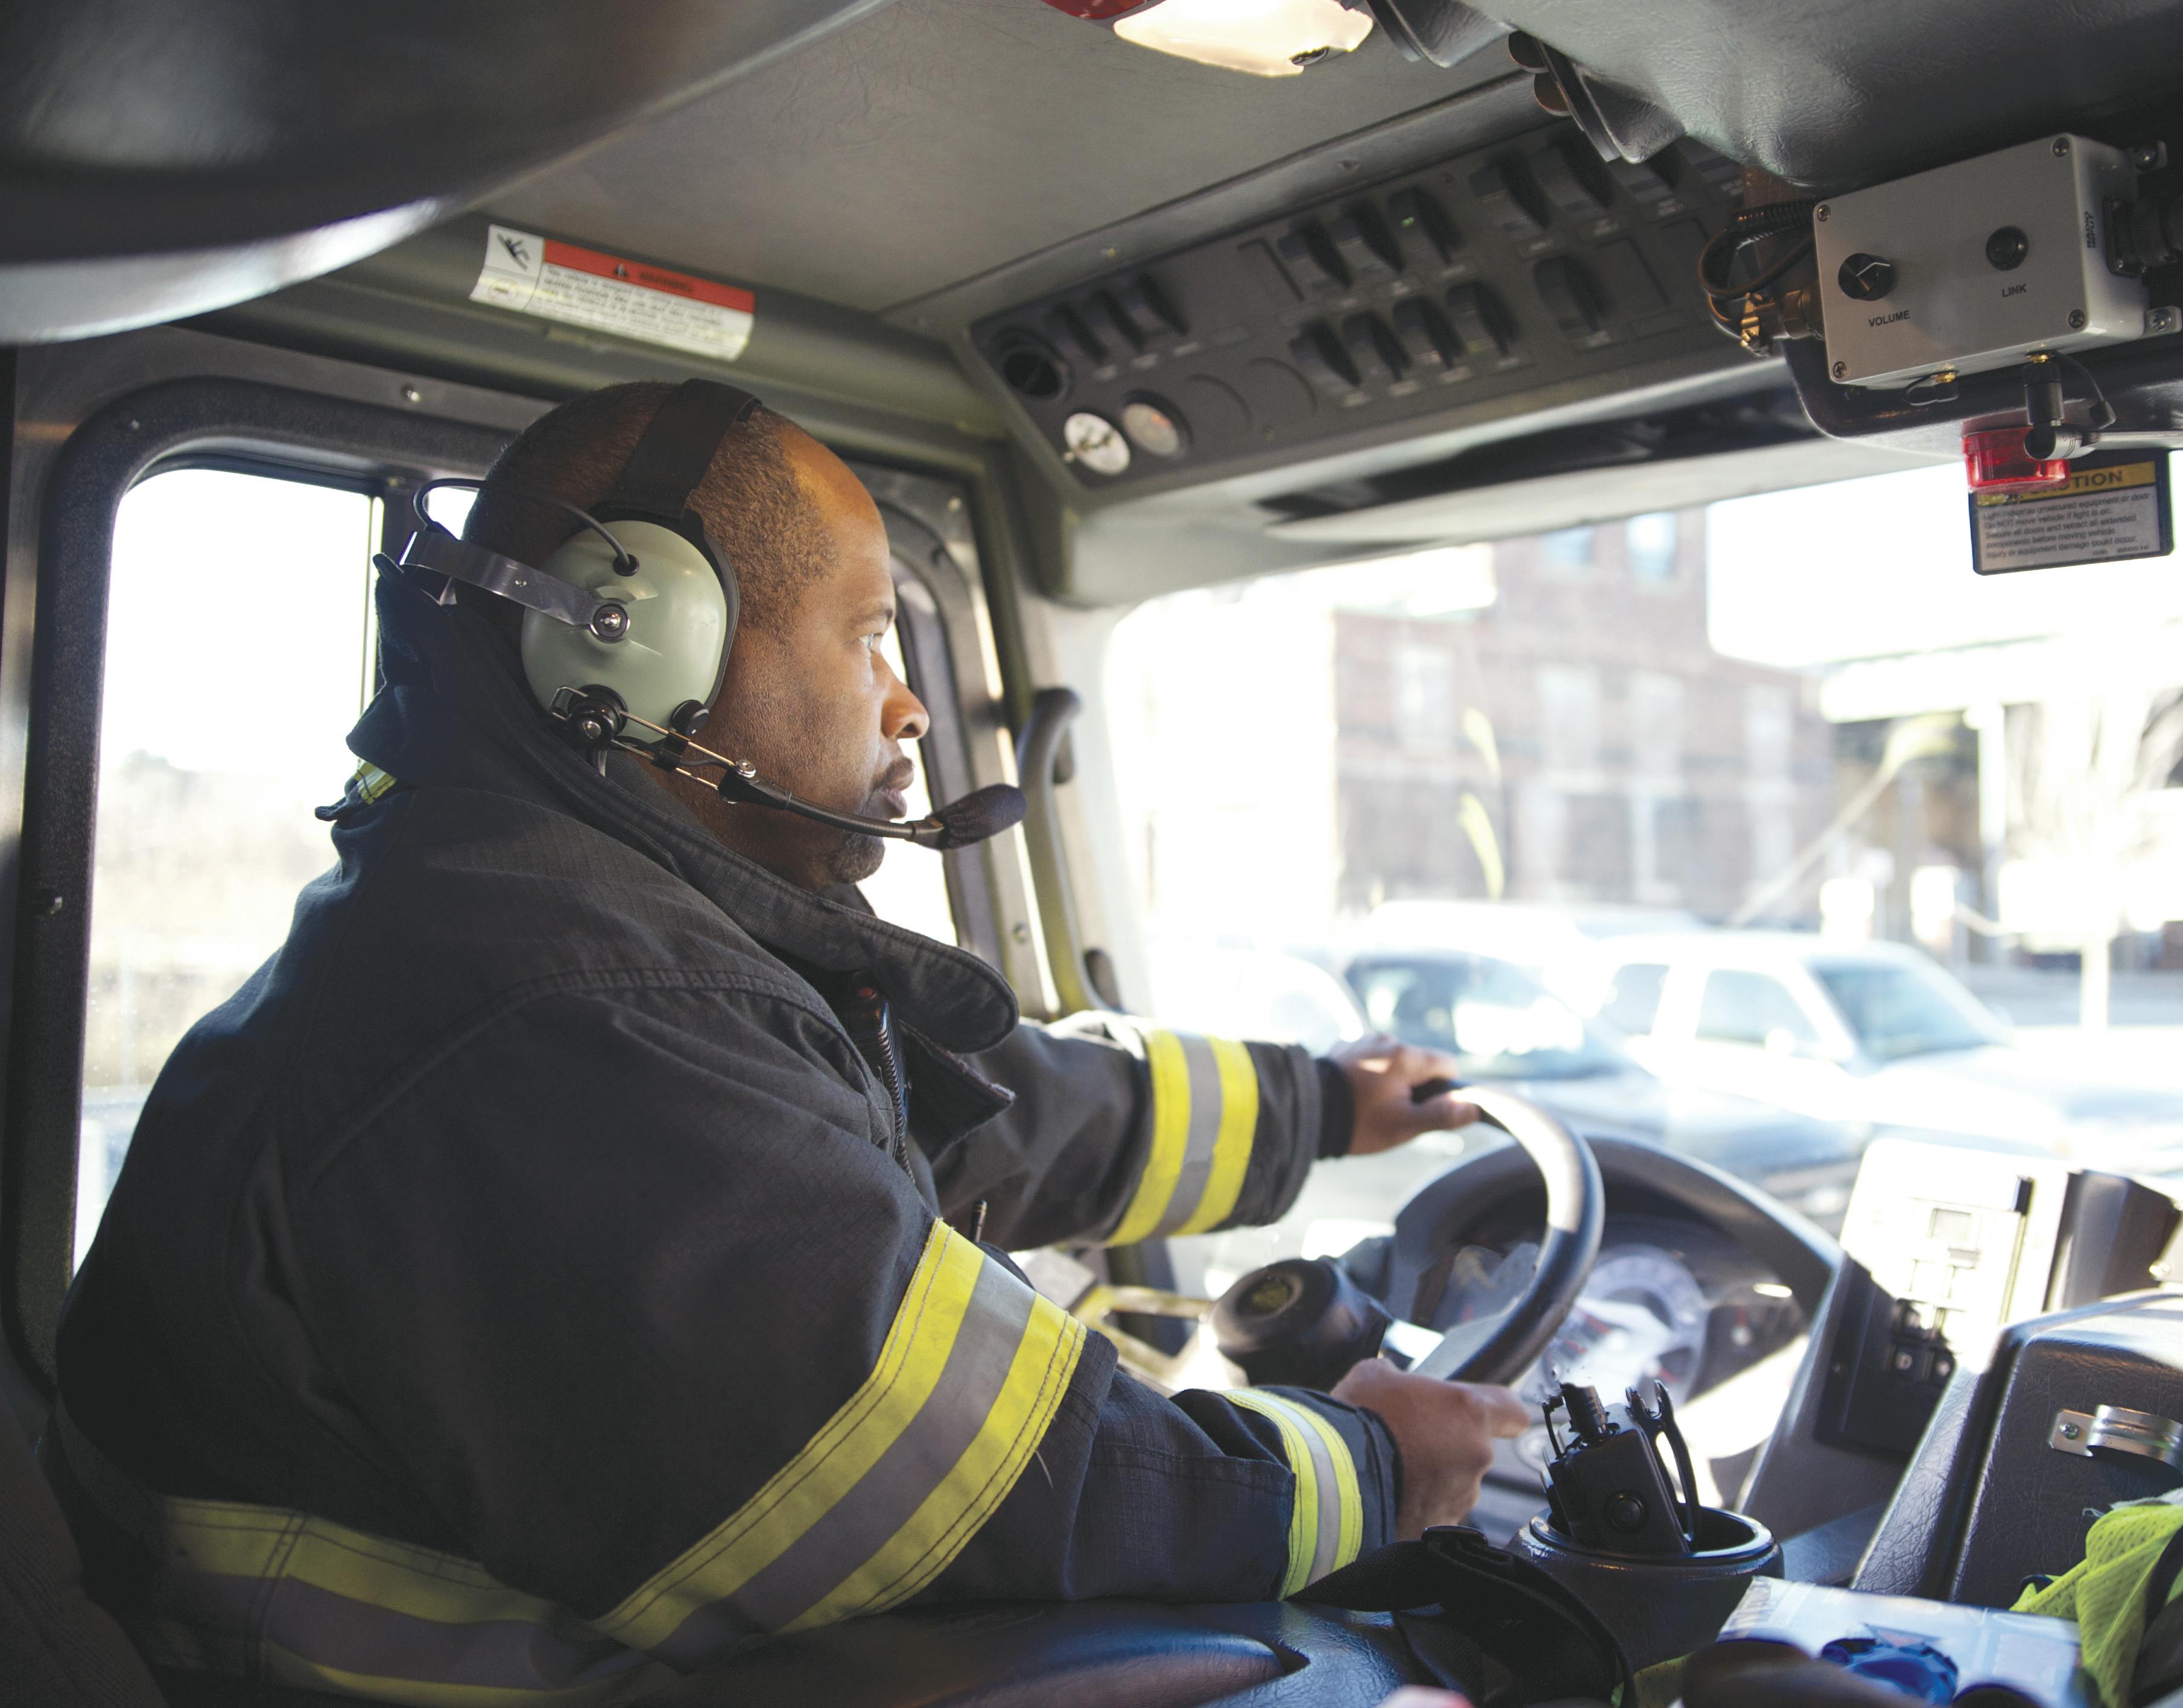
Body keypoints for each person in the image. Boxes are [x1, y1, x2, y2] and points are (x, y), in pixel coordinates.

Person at [49, 381, 1533, 1704]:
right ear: (638, 640)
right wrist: (1369, 1465)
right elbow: (967, 1500)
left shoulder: (575, 925)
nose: (908, 703)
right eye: (871, 633)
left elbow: (968, 1117)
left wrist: (1319, 1108)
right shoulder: (559, 1017)